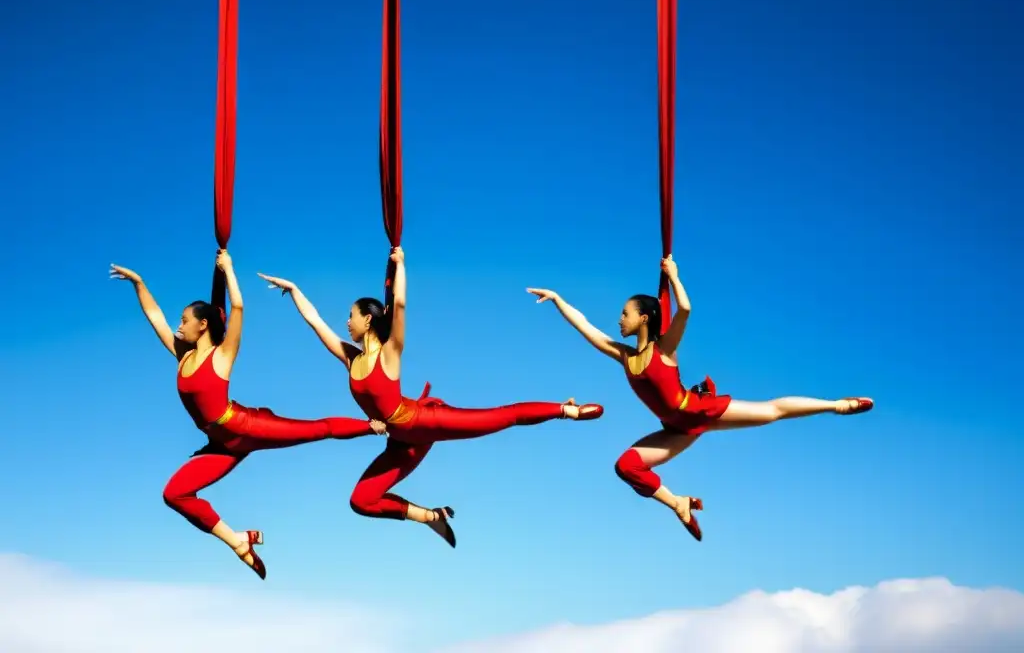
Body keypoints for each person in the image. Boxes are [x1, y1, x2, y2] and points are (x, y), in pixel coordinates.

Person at [258, 246, 602, 548]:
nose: (346, 322)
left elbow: (401, 303)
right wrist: (295, 291)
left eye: (351, 316)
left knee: (499, 418)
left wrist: (400, 264)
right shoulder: (352, 357)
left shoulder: (390, 352)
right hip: (400, 442)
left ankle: (565, 410)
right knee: (361, 501)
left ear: (367, 319)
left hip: (424, 421)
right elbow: (316, 323)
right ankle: (429, 517)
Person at [526, 255, 872, 541]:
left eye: (625, 314)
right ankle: (678, 503)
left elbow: (685, 310)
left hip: (698, 410)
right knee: (626, 466)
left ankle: (836, 405)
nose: (619, 320)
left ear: (643, 317)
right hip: (676, 429)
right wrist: (558, 299)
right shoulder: (625, 356)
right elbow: (587, 327)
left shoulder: (666, 349)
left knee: (772, 411)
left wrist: (674, 276)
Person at [110, 248, 386, 579]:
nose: (178, 325)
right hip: (222, 443)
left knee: (317, 429)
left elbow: (238, 306)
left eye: (184, 320)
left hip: (248, 426)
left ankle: (371, 427)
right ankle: (239, 542)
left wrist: (227, 269)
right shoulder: (181, 354)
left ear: (203, 324)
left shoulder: (223, 354)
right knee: (174, 494)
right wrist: (139, 284)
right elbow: (155, 316)